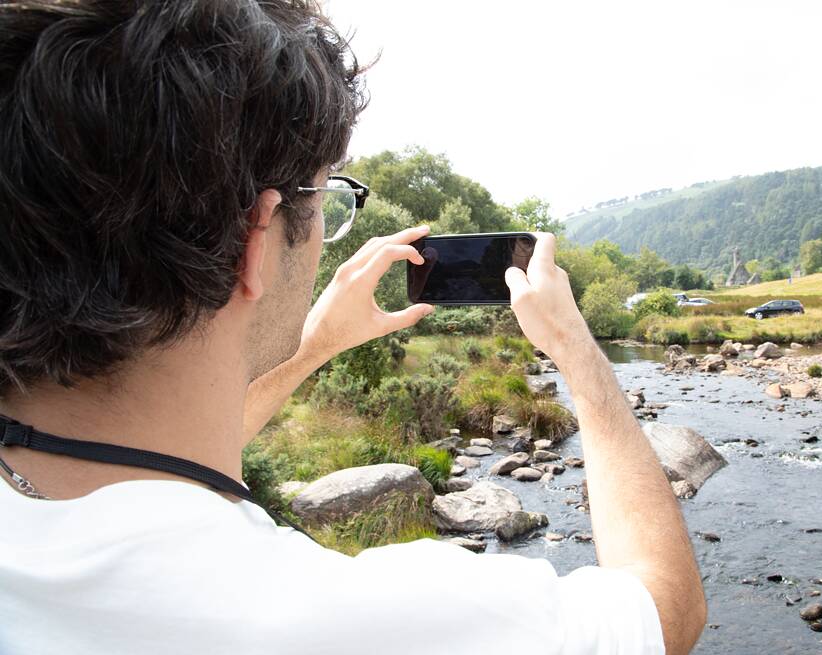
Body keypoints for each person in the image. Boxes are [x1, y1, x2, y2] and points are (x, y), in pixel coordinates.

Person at [0, 1, 706, 654]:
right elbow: (663, 608)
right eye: (323, 193)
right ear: (258, 237)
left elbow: (150, 456)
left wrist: (317, 343)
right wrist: (577, 350)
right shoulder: (359, 619)